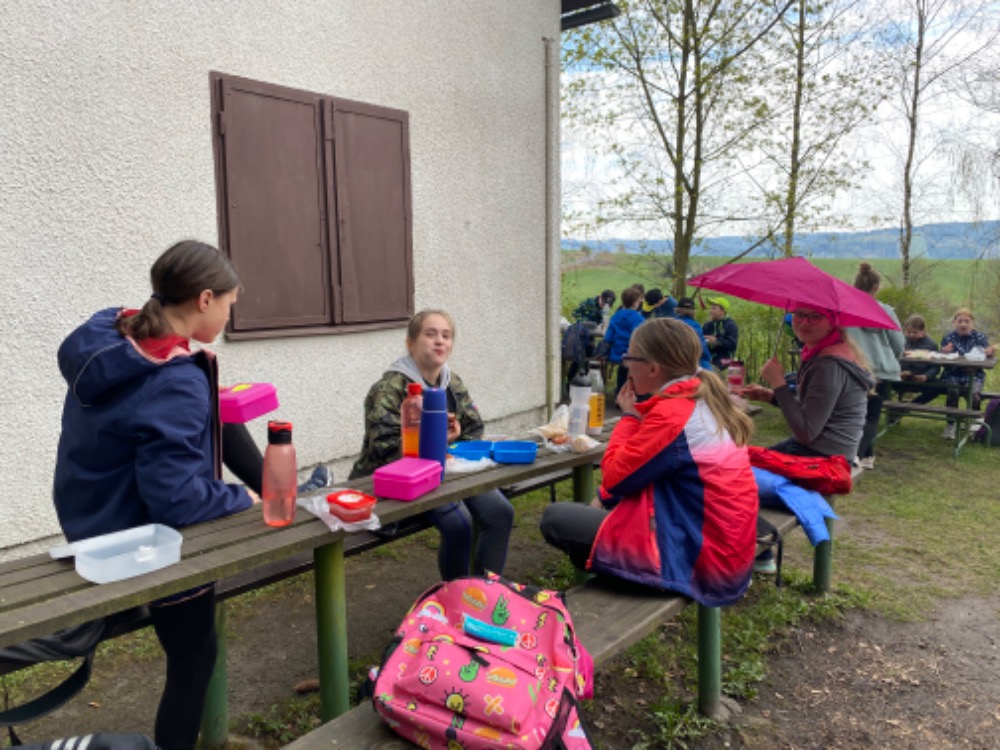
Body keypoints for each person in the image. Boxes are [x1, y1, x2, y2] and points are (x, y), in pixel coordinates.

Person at [52, 240, 261, 750]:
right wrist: (243, 499)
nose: (230, 317)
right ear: (205, 299)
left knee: (218, 405)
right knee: (194, 656)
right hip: (137, 537)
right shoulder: (177, 382)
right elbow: (178, 500)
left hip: (89, 515)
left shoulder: (113, 329)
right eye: (230, 304)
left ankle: (285, 490)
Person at [539, 318, 758, 606]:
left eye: (629, 358)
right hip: (727, 553)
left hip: (703, 565)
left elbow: (614, 477)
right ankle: (618, 566)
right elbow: (644, 472)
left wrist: (630, 417)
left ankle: (627, 576)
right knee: (605, 504)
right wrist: (605, 497)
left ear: (653, 369)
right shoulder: (701, 399)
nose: (626, 366)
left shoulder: (673, 414)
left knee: (555, 518)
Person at [349, 310, 514, 581]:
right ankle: (456, 597)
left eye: (446, 336)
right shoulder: (389, 388)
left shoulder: (451, 382)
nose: (439, 341)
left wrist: (452, 440)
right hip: (390, 482)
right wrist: (434, 441)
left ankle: (487, 590)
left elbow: (473, 428)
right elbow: (384, 449)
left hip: (445, 470)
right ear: (410, 343)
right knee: (459, 524)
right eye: (430, 334)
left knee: (500, 512)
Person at [742, 305, 872, 573]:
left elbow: (807, 430)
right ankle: (761, 551)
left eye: (815, 317)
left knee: (727, 474)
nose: (803, 322)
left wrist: (778, 383)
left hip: (823, 459)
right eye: (799, 315)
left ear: (832, 322)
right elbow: (817, 409)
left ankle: (757, 549)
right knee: (736, 462)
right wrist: (771, 396)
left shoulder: (828, 364)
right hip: (826, 450)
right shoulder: (826, 353)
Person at [844, 263, 904, 470]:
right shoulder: (885, 311)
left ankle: (867, 456)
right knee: (871, 415)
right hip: (879, 370)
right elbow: (899, 343)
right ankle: (856, 455)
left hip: (850, 367)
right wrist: (892, 359)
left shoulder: (844, 309)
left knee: (854, 413)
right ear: (876, 287)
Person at [940, 308, 995, 440]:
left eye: (967, 321)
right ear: (954, 323)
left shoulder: (980, 337)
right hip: (952, 373)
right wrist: (944, 352)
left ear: (972, 323)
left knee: (973, 393)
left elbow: (987, 357)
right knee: (953, 390)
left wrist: (990, 353)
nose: (963, 324)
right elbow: (941, 361)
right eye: (960, 321)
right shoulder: (948, 337)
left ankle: (975, 425)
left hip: (974, 374)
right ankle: (951, 424)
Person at [602, 286, 646, 393]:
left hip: (616, 354)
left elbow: (608, 337)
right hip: (632, 355)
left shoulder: (616, 316)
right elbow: (641, 339)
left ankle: (620, 392)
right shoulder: (638, 319)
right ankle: (635, 393)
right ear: (635, 303)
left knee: (622, 371)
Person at [896, 314, 941, 406]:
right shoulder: (901, 342)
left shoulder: (931, 345)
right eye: (908, 332)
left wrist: (926, 376)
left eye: (915, 332)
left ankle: (911, 406)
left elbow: (935, 367)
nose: (911, 335)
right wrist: (898, 372)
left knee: (939, 387)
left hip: (922, 378)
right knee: (882, 382)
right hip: (902, 377)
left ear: (923, 331)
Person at [673, 297, 712, 370]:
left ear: (677, 309)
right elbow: (701, 346)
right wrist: (709, 358)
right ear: (693, 311)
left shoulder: (670, 324)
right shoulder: (695, 326)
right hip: (693, 363)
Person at [702, 296, 739, 370]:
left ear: (722, 311)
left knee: (713, 370)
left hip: (726, 359)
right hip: (709, 358)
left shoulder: (730, 325)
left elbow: (732, 344)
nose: (710, 311)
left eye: (714, 308)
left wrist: (716, 341)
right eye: (711, 308)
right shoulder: (707, 325)